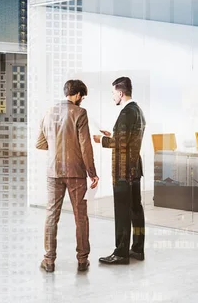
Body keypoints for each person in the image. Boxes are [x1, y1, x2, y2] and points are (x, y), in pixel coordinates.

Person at [36, 80, 99, 273]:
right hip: (76, 173)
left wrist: (57, 146)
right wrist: (92, 173)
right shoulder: (80, 113)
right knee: (80, 216)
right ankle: (82, 260)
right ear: (78, 95)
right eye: (83, 96)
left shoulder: (49, 112)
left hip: (53, 171)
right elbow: (85, 146)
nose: (82, 100)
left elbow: (40, 143)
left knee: (51, 215)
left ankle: (49, 260)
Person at [94, 77, 146, 264]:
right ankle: (137, 249)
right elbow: (128, 139)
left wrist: (102, 140)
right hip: (135, 168)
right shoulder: (138, 111)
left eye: (113, 93)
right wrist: (113, 135)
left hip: (123, 171)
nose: (112, 96)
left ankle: (121, 253)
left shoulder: (126, 112)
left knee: (123, 212)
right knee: (136, 209)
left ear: (121, 93)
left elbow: (121, 143)